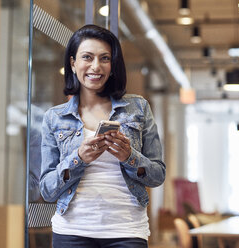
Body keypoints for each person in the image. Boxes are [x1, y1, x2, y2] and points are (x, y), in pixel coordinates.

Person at [39, 24, 166, 248]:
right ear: (72, 62)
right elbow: (47, 190)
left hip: (127, 230)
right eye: (87, 57)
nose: (96, 66)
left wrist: (130, 156)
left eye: (105, 58)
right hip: (71, 231)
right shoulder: (54, 118)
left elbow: (157, 175)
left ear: (113, 65)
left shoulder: (138, 107)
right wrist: (78, 158)